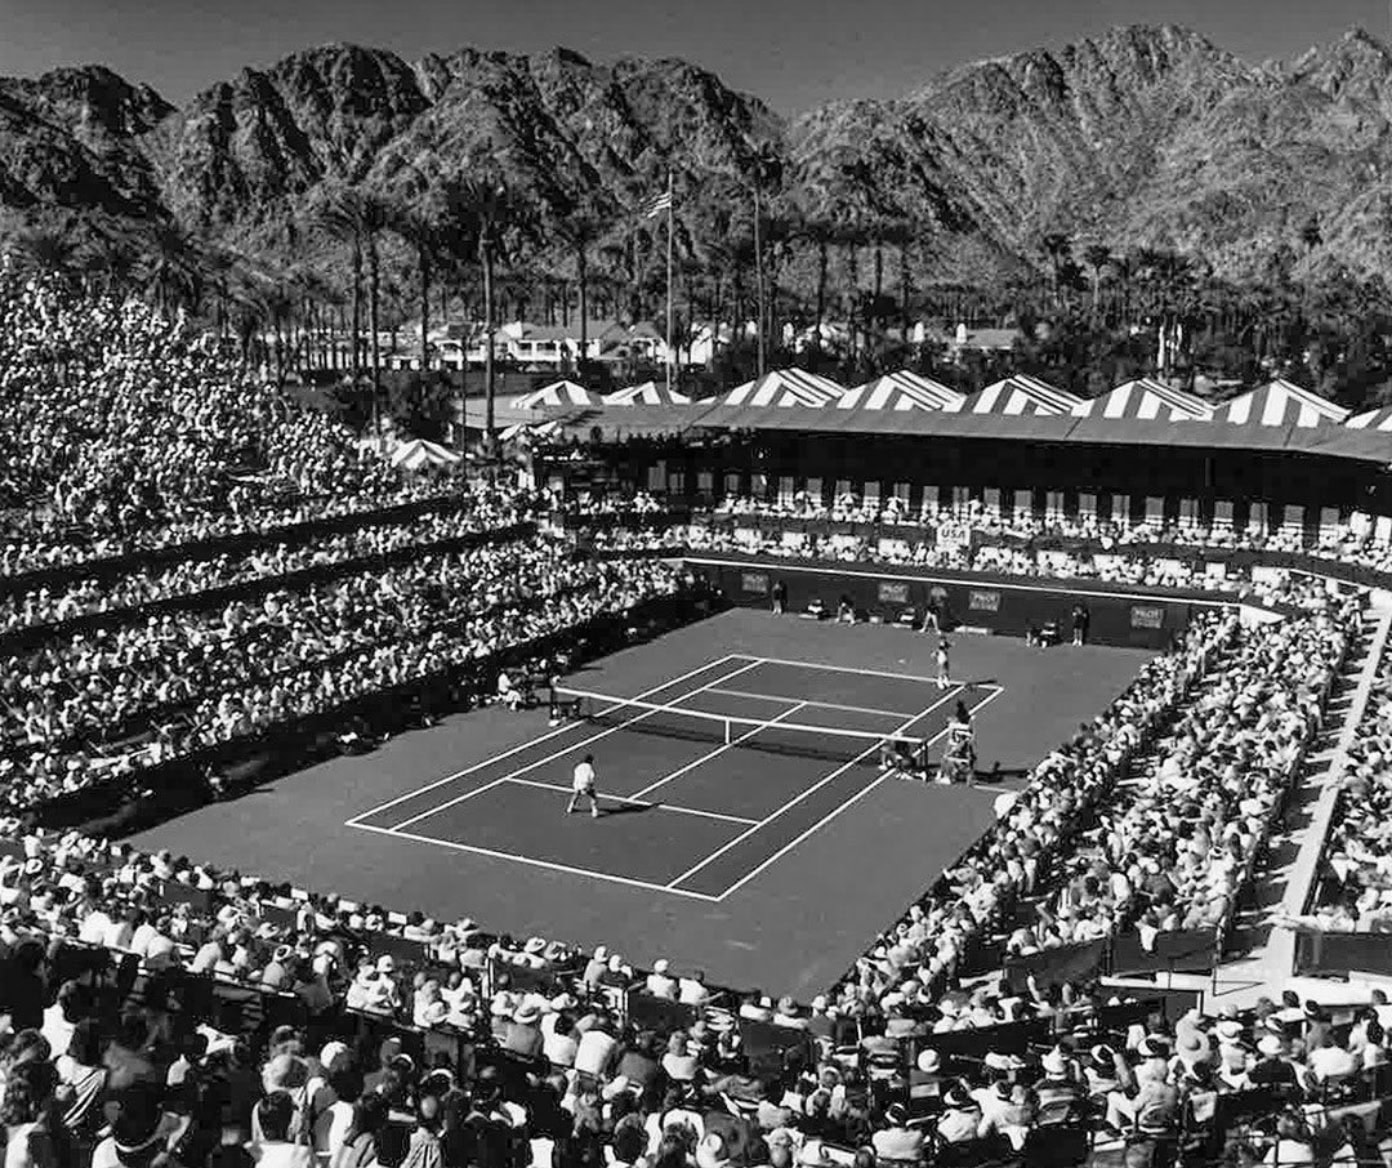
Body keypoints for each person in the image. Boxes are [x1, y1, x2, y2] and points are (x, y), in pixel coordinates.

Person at [566, 753, 602, 818]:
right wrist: (590, 786)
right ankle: (594, 812)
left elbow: (575, 772)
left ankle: (570, 808)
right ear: (591, 761)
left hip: (576, 783)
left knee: (576, 794)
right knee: (593, 796)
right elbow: (591, 777)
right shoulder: (589, 767)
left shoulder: (579, 766)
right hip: (585, 784)